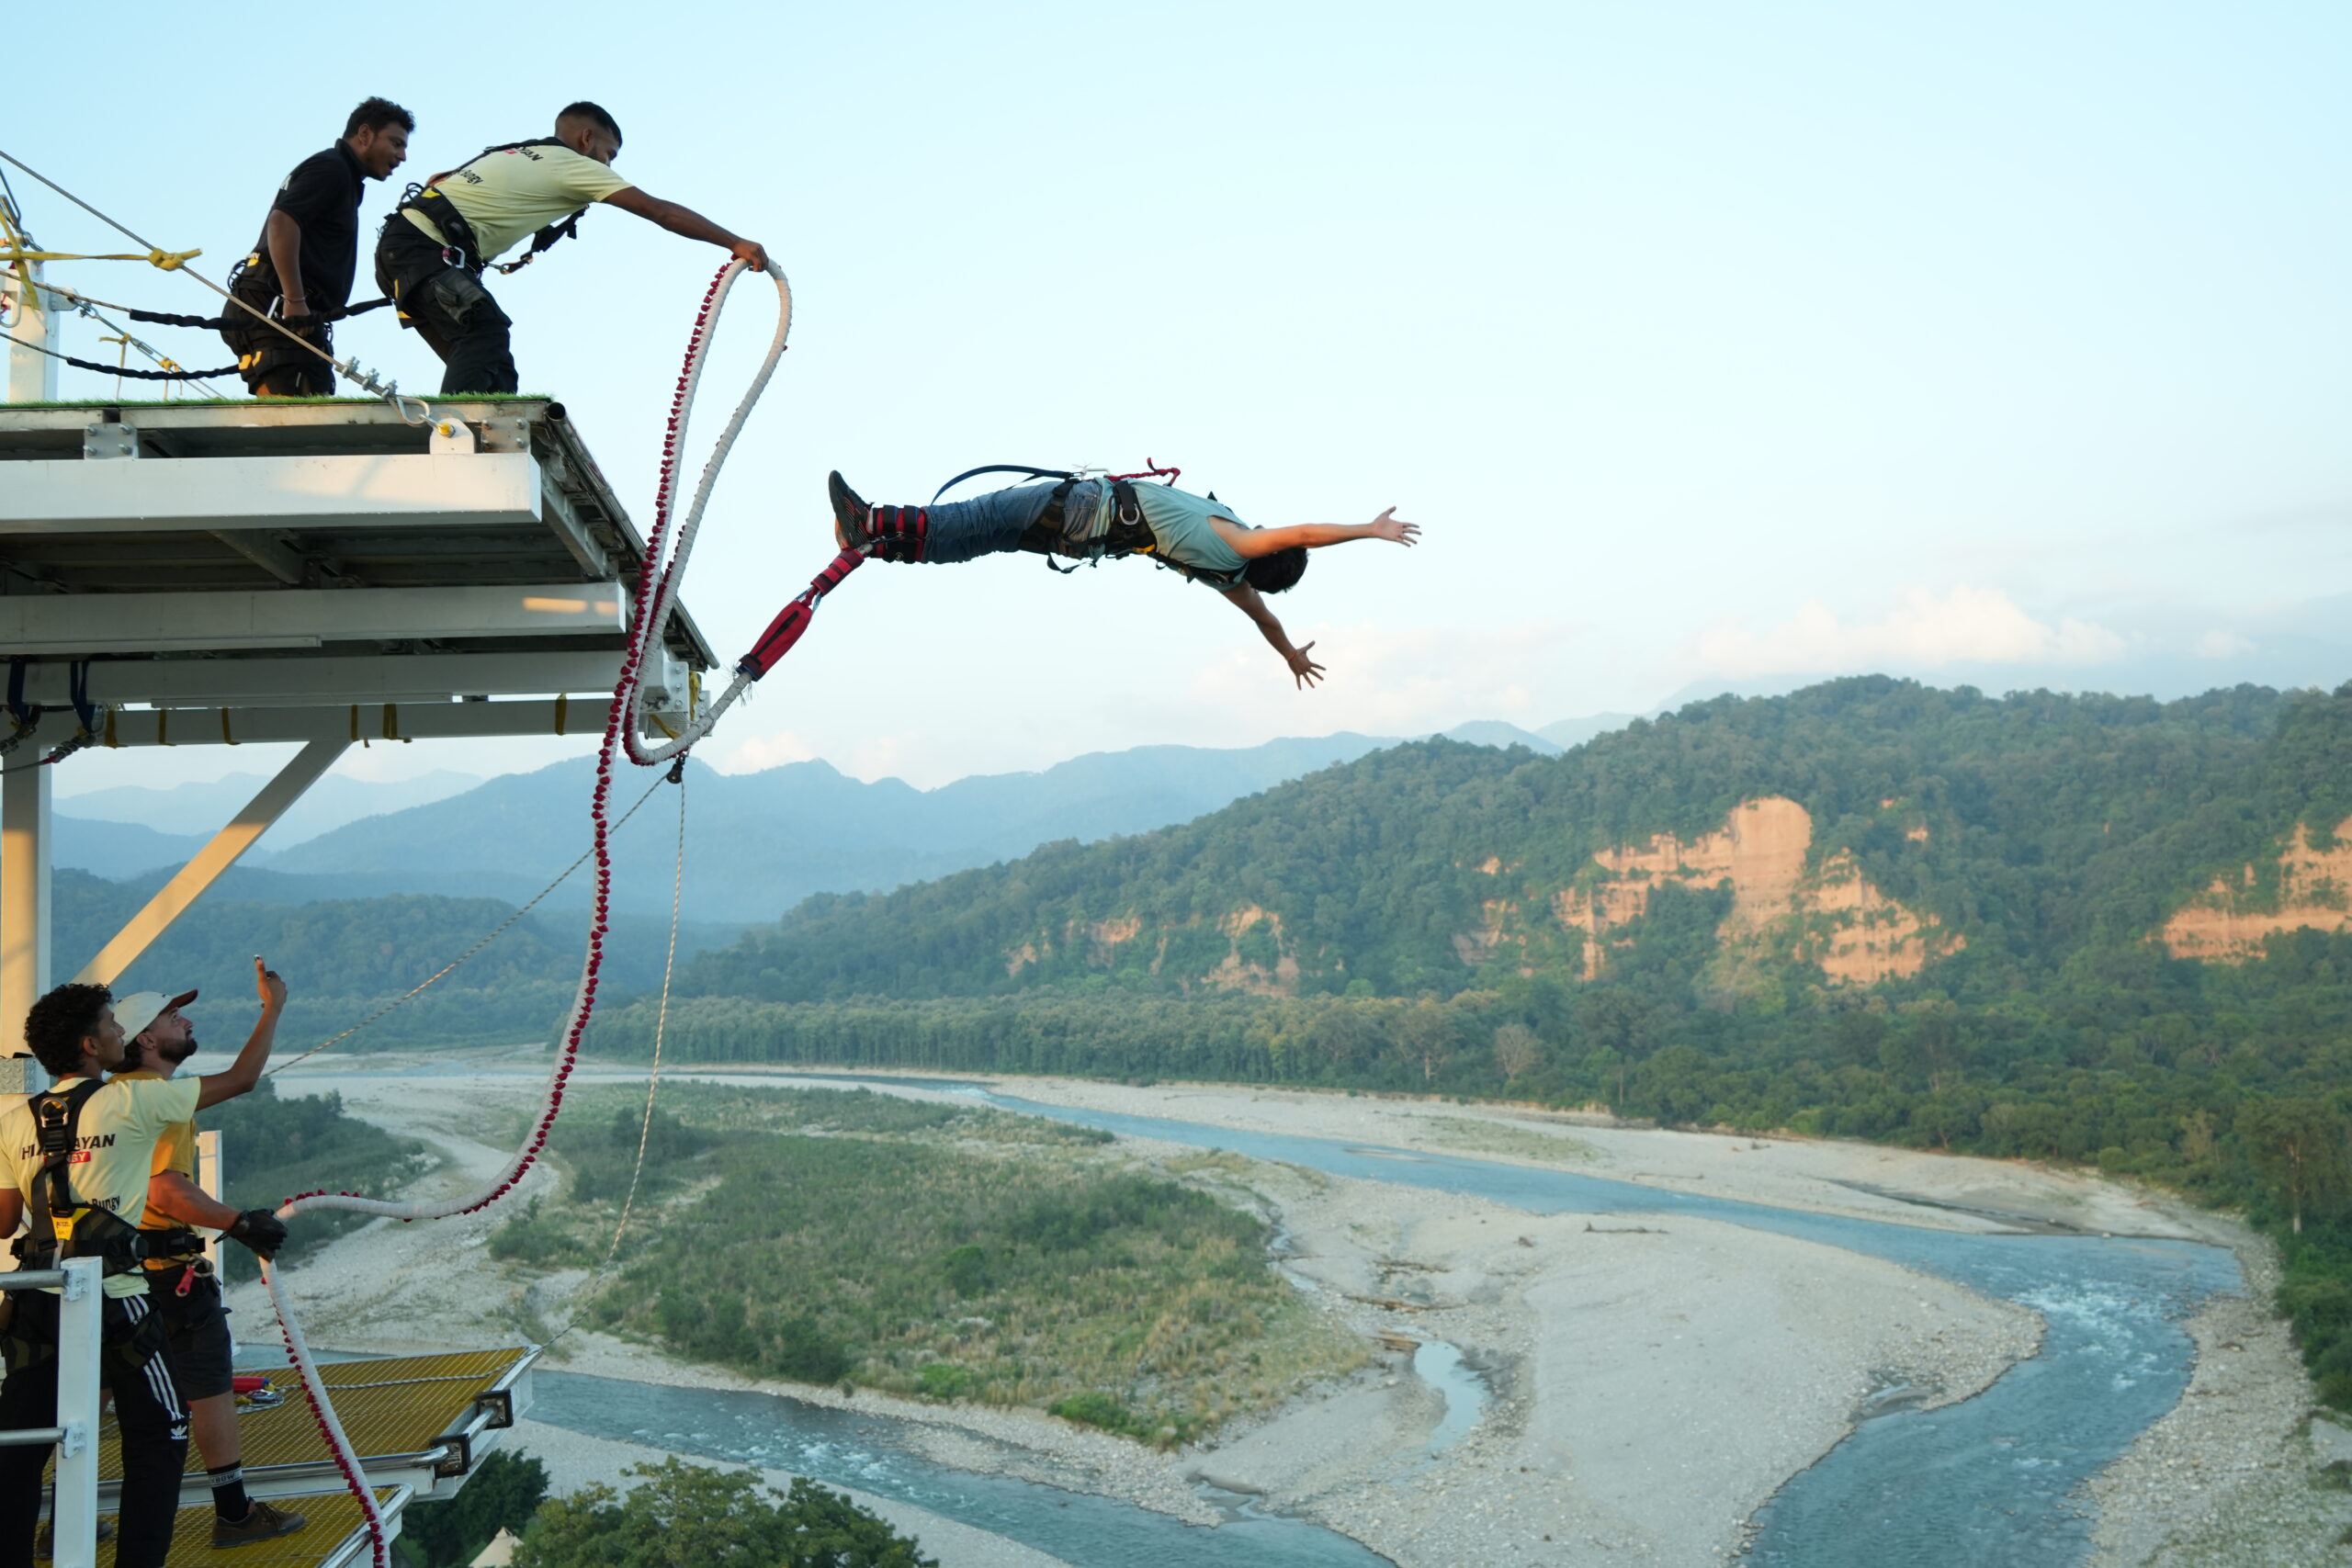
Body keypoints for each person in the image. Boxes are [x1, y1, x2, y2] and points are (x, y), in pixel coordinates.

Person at [0, 960, 289, 1568]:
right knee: (158, 1435)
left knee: (19, 1450)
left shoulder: (14, 1121)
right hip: (117, 1298)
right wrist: (273, 1007)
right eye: (109, 1023)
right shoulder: (133, 1101)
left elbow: (4, 1223)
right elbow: (240, 1079)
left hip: (36, 1300)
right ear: (90, 1044)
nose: (117, 1033)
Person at [826, 471, 1420, 686]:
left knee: (979, 517)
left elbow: (1305, 533)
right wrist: (1290, 654)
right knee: (983, 539)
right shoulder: (1229, 576)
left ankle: (872, 521)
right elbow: (1266, 619)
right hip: (1082, 537)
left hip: (1088, 509)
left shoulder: (1239, 541)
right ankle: (885, 548)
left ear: (1270, 548)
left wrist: (1368, 530)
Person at [373, 101, 770, 395]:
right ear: (586, 139)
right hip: (424, 251)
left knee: (495, 372)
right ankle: (453, 448)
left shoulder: (514, 150)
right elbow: (659, 211)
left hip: (404, 249)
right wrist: (734, 242)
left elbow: (438, 179)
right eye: (609, 154)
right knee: (484, 332)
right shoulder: (575, 164)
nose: (608, 166)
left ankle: (485, 452)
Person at [111, 994, 303, 1549]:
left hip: (111, 1272)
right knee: (208, 1384)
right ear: (144, 1039)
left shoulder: (103, 1099)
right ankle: (234, 1513)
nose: (187, 1022)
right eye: (173, 1019)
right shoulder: (160, 1099)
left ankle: (55, 1520)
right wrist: (240, 1222)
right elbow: (165, 1189)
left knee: (97, 1382)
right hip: (166, 1274)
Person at [222, 98, 414, 398]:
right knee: (292, 426)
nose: (402, 156)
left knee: (311, 400)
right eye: (395, 143)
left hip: (286, 312)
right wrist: (295, 299)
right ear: (364, 134)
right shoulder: (332, 168)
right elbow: (282, 221)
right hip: (277, 309)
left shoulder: (341, 176)